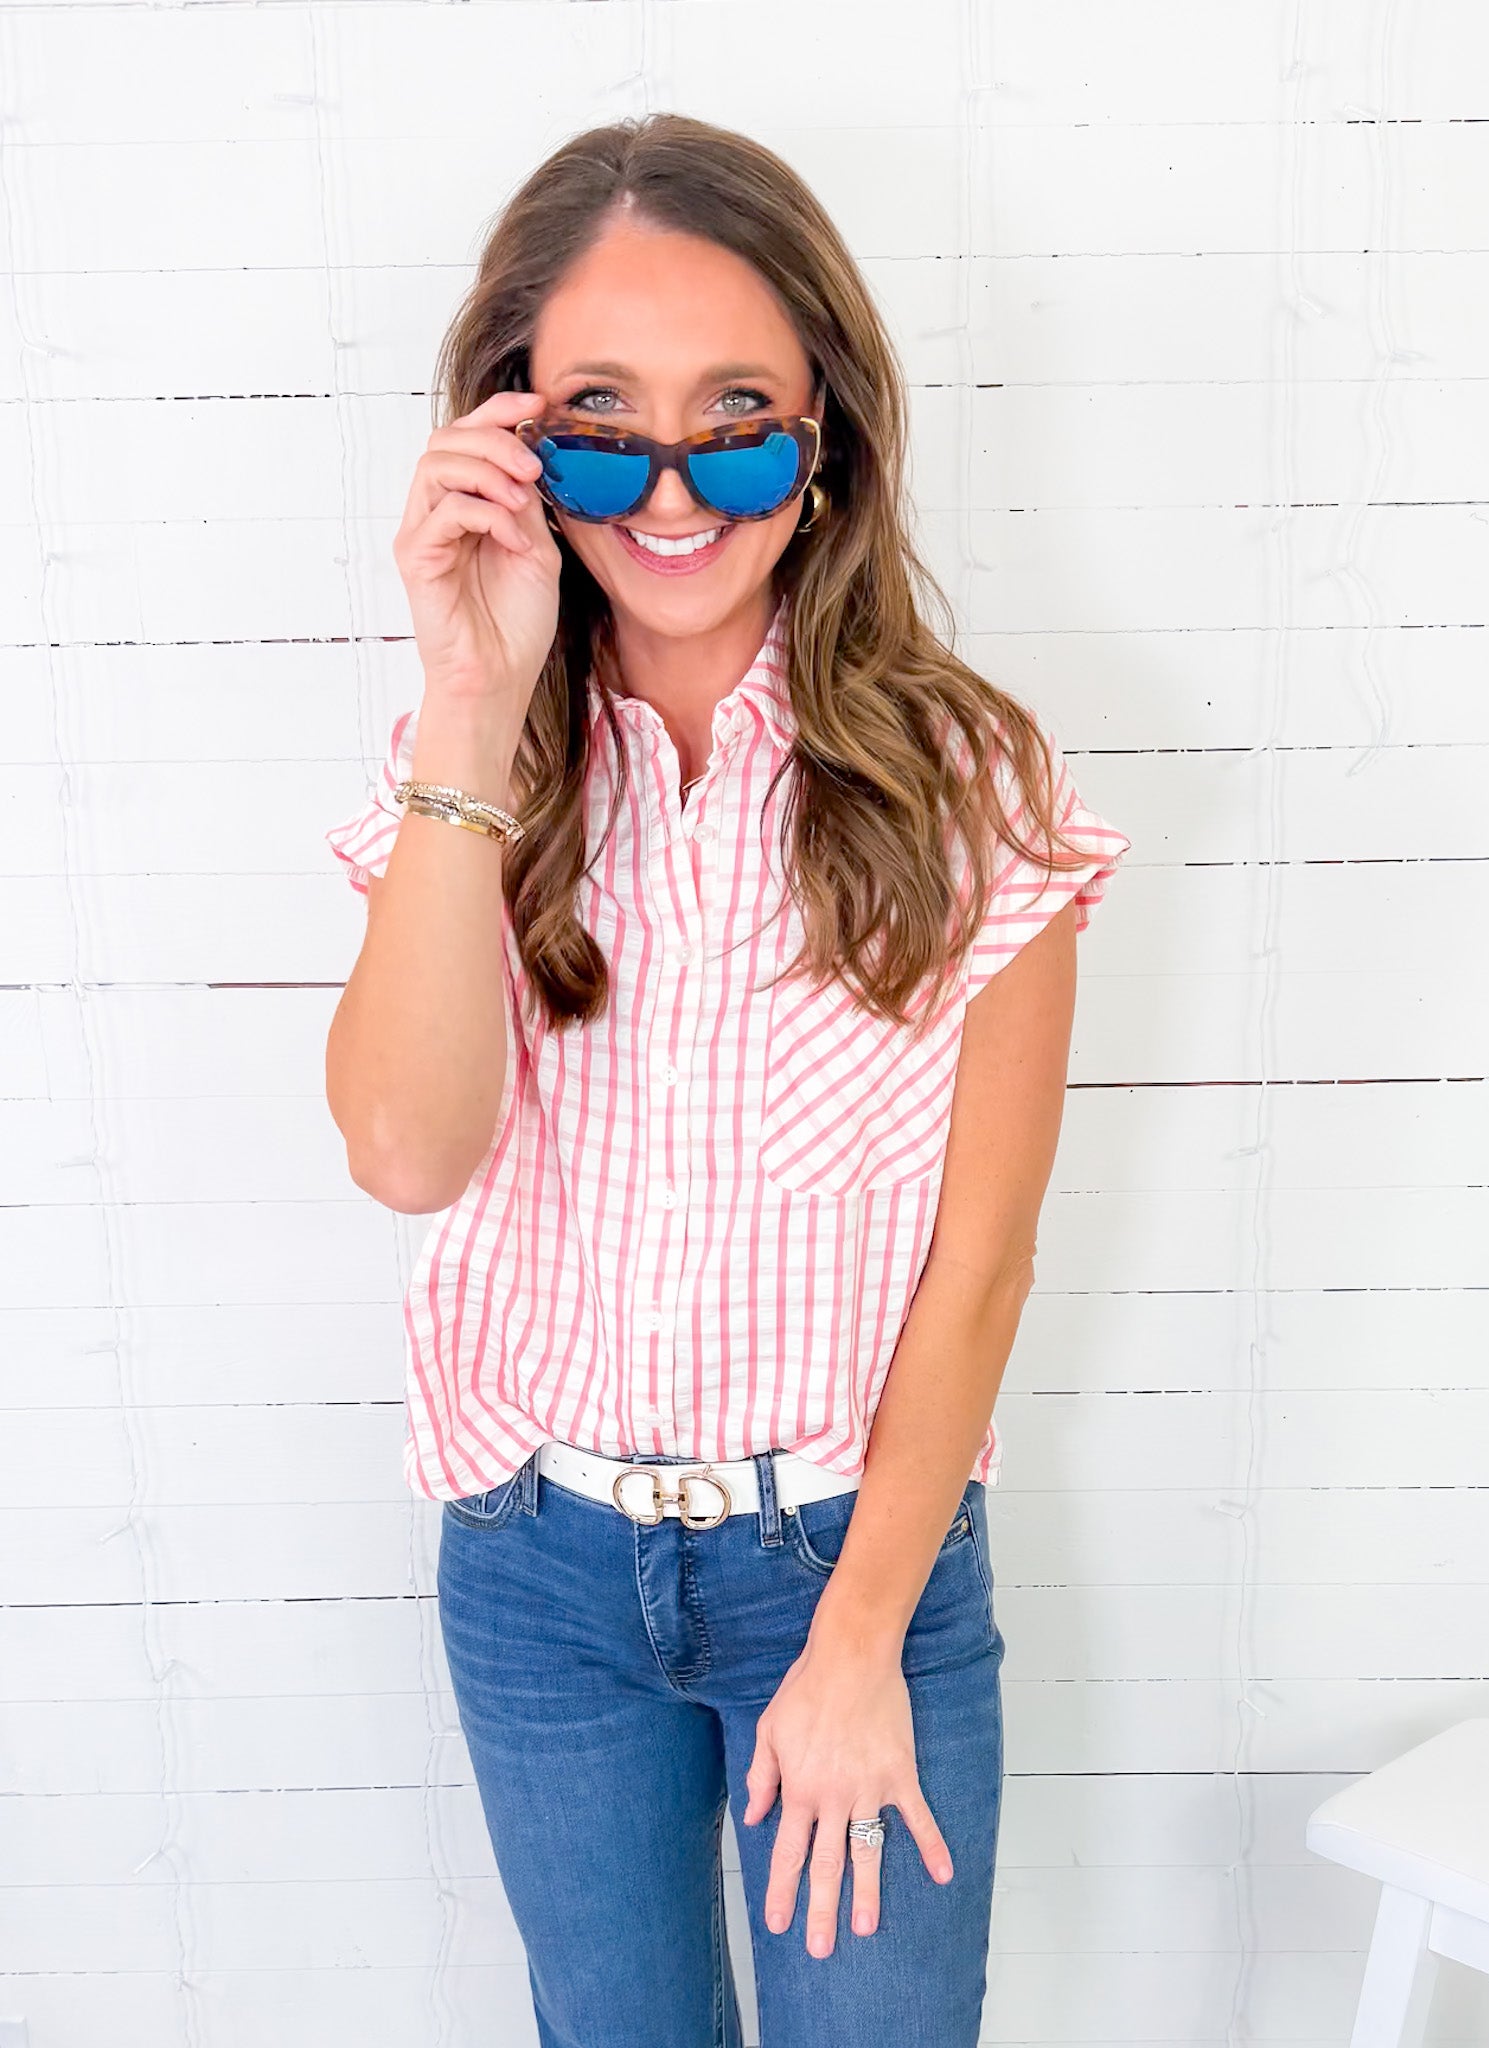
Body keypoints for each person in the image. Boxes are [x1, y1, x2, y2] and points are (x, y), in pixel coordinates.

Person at [324, 111, 1130, 2048]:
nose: (673, 487)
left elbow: (980, 1268)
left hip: (852, 1559)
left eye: (740, 417)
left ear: (826, 439)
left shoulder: (969, 788)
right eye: (602, 418)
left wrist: (857, 1640)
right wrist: (467, 696)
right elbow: (405, 1150)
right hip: (537, 1567)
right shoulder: (473, 769)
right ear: (512, 440)